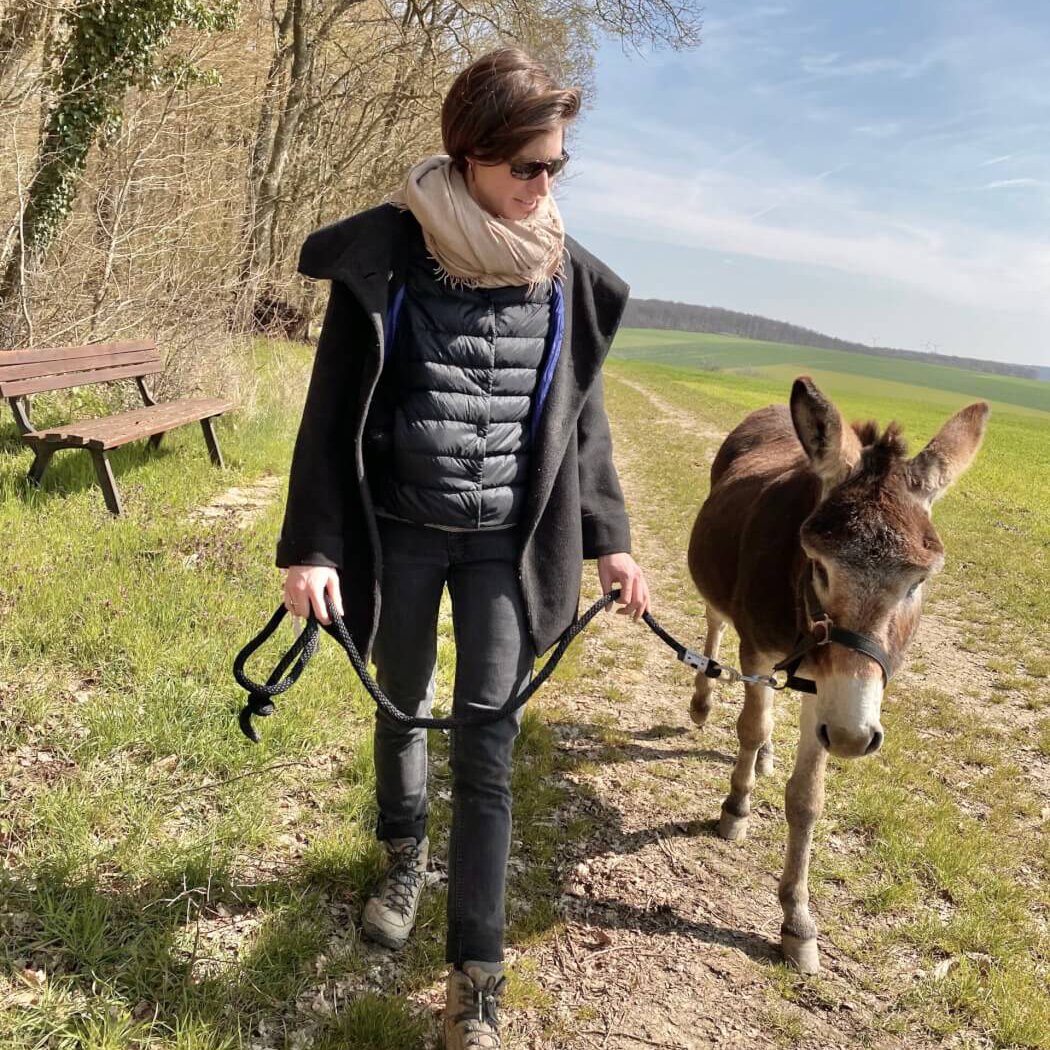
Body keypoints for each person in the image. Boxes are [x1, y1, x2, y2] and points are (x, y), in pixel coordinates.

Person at [276, 46, 649, 1050]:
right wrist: (312, 547)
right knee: (402, 711)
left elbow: (583, 423)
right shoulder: (392, 254)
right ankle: (402, 856)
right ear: (472, 155)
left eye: (556, 168)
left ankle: (473, 974)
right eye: (527, 168)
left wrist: (610, 542)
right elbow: (329, 415)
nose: (543, 187)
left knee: (490, 746)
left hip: (503, 544)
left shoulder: (564, 277)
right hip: (398, 532)